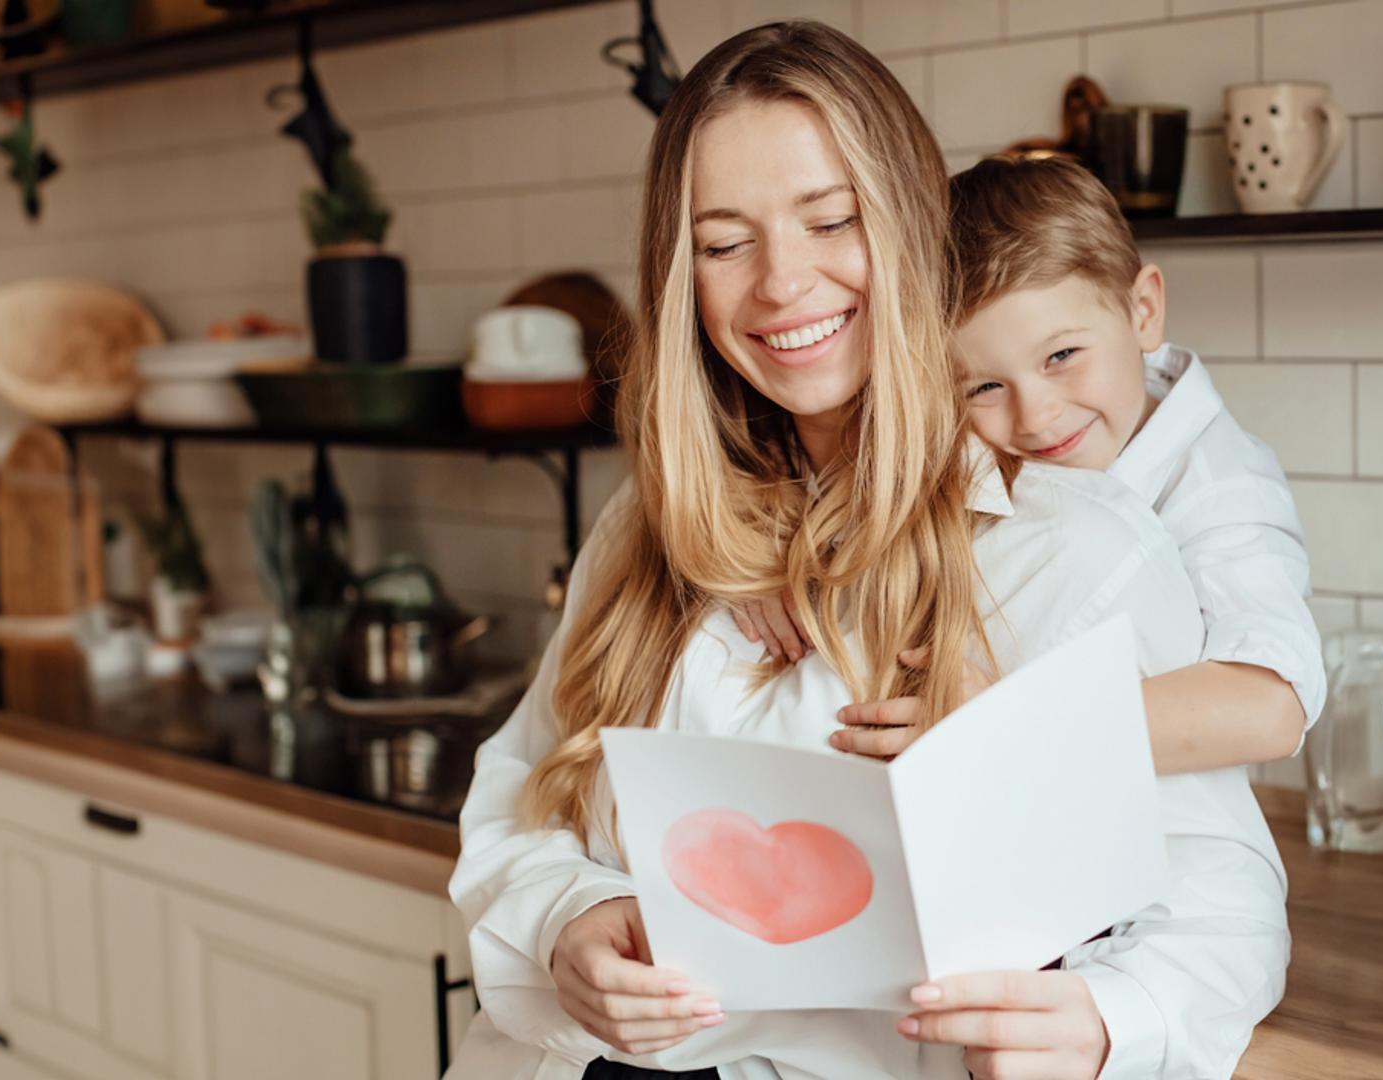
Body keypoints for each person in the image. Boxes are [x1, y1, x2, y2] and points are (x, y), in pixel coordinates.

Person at [447, 21, 1287, 1080]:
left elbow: (1218, 895)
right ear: (680, 279)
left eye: (829, 219)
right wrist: (568, 922)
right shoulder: (650, 525)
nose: (781, 284)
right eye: (722, 243)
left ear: (907, 222)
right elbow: (521, 791)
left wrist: (1108, 1019)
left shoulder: (1062, 541)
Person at [749, 153, 1323, 778]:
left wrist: (1013, 718)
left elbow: (1272, 706)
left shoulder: (1220, 487)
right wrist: (764, 547)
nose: (1036, 416)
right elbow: (816, 459)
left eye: (1062, 356)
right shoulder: (969, 436)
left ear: (1144, 310)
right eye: (984, 387)